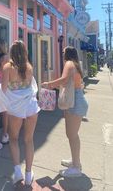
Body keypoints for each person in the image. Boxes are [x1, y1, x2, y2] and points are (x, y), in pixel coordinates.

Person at [42, 46, 88, 178]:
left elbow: (64, 79)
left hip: (74, 102)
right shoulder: (75, 64)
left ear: (67, 54)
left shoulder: (69, 63)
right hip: (76, 100)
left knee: (72, 135)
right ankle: (75, 161)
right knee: (72, 134)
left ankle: (76, 167)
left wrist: (49, 84)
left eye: (63, 52)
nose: (62, 55)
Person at [1, 40, 40, 186]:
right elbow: (30, 87)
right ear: (24, 52)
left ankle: (18, 173)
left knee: (14, 139)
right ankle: (29, 175)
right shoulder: (29, 67)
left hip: (16, 108)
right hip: (31, 107)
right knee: (29, 140)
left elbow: (4, 89)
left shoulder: (7, 68)